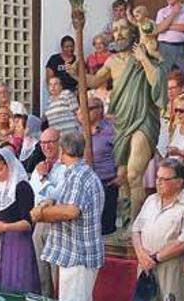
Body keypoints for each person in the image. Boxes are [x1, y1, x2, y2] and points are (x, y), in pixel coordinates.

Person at [71, 17, 167, 218]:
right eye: (115, 30)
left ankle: (136, 226)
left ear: (132, 31)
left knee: (133, 174)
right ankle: (127, 219)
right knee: (124, 178)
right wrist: (75, 73)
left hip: (143, 119)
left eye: (123, 28)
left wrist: (142, 58)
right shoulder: (111, 61)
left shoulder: (144, 52)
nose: (119, 33)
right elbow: (94, 81)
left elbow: (157, 81)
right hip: (121, 122)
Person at [33, 131, 104, 301]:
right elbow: (55, 196)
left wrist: (41, 215)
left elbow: (70, 211)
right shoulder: (72, 173)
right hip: (74, 254)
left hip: (79, 255)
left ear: (63, 150)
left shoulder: (79, 176)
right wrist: (46, 204)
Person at [132, 158, 184, 301]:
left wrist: (156, 258)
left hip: (172, 266)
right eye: (158, 178)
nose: (159, 182)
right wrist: (141, 255)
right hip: (145, 265)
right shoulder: (151, 200)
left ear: (179, 182)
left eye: (165, 179)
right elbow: (136, 230)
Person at [0, 148, 40, 293]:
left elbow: (28, 223)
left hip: (16, 243)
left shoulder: (22, 187)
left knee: (16, 283)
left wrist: (4, 227)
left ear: (9, 166)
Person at [29, 128, 65, 298]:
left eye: (50, 142)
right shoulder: (40, 167)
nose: (46, 146)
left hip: (56, 222)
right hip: (40, 223)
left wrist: (44, 179)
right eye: (43, 143)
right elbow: (34, 194)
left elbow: (57, 196)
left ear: (59, 142)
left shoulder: (64, 167)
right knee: (42, 273)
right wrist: (40, 176)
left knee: (55, 273)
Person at [81, 97, 120, 236]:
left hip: (106, 181)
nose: (86, 112)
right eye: (84, 108)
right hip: (87, 183)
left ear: (100, 110)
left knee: (106, 226)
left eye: (90, 108)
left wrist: (120, 175)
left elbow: (121, 152)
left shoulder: (110, 130)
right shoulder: (81, 131)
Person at [155, 0, 184, 81]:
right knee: (164, 77)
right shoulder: (162, 11)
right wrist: (173, 13)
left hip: (180, 47)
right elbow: (158, 29)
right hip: (164, 47)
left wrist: (166, 25)